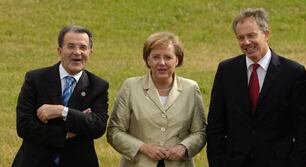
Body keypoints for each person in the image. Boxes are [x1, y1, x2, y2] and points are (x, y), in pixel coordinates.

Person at [206, 8, 306, 167]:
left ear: (266, 34)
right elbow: (215, 125)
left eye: (251, 35)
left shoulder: (293, 73)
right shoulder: (226, 71)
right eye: (241, 38)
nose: (246, 42)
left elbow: (304, 129)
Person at [12, 25, 109, 167]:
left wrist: (62, 111)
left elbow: (97, 127)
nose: (77, 52)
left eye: (83, 47)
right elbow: (24, 126)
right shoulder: (35, 79)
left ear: (90, 52)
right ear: (59, 51)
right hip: (35, 162)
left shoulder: (98, 86)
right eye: (70, 46)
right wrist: (67, 133)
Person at [107, 32, 206, 167]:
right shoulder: (130, 87)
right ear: (148, 60)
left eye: (168, 57)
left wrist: (183, 147)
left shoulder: (191, 89)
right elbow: (114, 131)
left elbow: (200, 132)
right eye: (155, 57)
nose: (162, 63)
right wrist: (143, 147)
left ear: (177, 60)